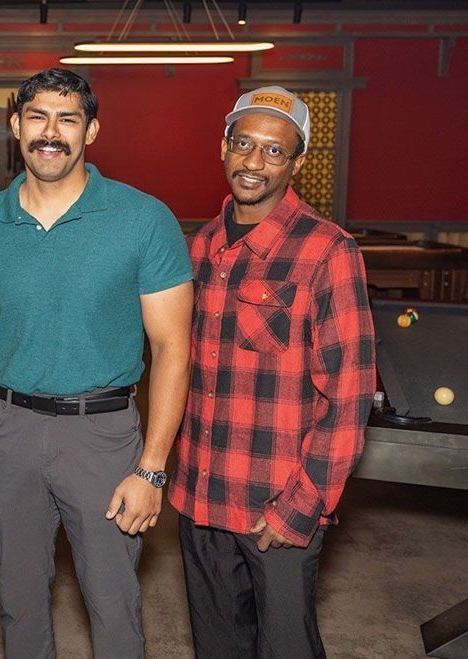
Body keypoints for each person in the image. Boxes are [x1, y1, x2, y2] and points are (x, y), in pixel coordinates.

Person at [0, 68, 193, 658]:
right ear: (15, 127)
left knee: (113, 604)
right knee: (19, 601)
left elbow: (172, 350)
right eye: (37, 117)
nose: (50, 132)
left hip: (103, 435)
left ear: (91, 131)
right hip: (9, 432)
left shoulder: (143, 219)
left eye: (67, 119)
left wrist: (152, 468)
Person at [169, 86, 376, 658]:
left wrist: (303, 506)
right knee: (217, 648)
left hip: (276, 505)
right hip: (200, 497)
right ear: (223, 147)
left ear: (297, 162)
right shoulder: (200, 247)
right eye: (243, 144)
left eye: (274, 151)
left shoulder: (328, 252)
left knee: (286, 648)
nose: (253, 162)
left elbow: (350, 396)